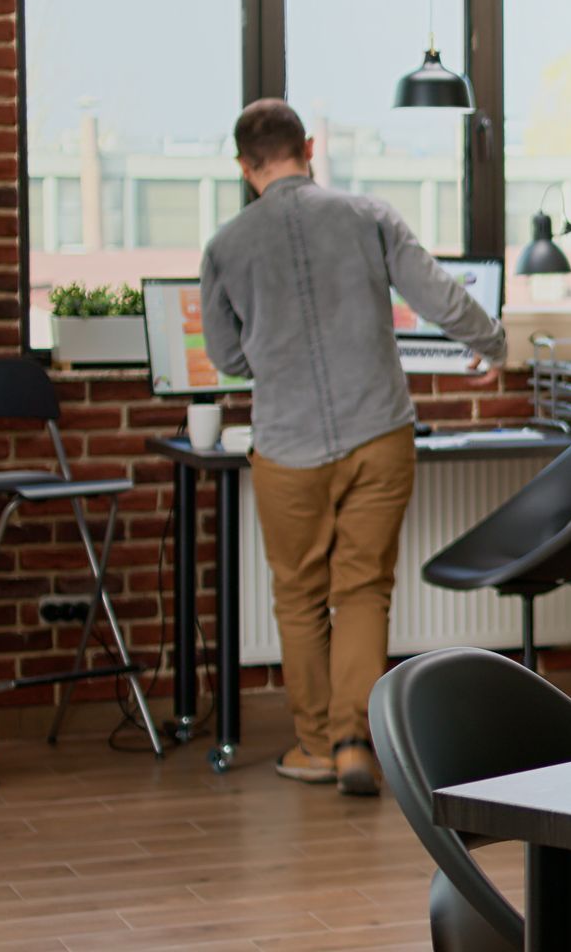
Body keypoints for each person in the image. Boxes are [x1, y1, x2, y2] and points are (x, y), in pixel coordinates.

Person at [201, 99, 505, 795]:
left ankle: (315, 746)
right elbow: (439, 294)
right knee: (364, 589)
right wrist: (492, 341)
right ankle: (352, 742)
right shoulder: (368, 216)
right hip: (379, 432)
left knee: (300, 596)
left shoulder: (225, 246)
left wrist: (272, 354)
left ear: (244, 166)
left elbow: (227, 356)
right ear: (308, 146)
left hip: (286, 446)